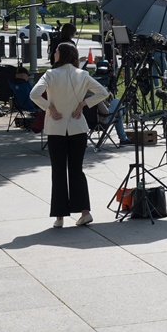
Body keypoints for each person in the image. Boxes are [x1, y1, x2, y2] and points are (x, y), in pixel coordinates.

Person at [31, 43, 110, 229]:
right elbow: (103, 92)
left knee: (58, 171)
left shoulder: (50, 74)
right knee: (77, 170)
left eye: (56, 51)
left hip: (56, 128)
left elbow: (34, 94)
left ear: (62, 54)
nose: (54, 53)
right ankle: (85, 212)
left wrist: (49, 107)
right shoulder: (82, 74)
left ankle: (59, 217)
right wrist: (84, 104)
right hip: (78, 128)